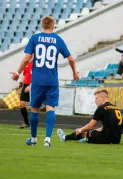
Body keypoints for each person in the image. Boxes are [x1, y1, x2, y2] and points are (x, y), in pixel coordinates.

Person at [11, 16, 79, 147]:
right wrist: (74, 72)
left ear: (42, 26)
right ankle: (47, 139)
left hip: (37, 81)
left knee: (35, 109)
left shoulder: (35, 38)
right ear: (53, 26)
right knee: (50, 108)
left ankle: (34, 139)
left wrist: (18, 72)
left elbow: (26, 59)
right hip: (51, 80)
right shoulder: (58, 40)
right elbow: (71, 59)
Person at [57, 89, 123, 144]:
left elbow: (90, 126)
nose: (95, 101)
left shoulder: (101, 108)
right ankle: (86, 139)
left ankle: (65, 137)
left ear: (102, 98)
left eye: (96, 98)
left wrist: (80, 130)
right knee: (93, 132)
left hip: (106, 138)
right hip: (117, 139)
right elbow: (113, 125)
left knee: (85, 132)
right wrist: (96, 131)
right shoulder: (116, 107)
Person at [17, 59, 33, 129]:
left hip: (33, 85)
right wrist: (21, 82)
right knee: (21, 104)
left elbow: (37, 76)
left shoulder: (36, 64)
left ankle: (34, 124)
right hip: (26, 85)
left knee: (34, 106)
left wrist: (30, 86)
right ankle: (26, 123)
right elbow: (25, 74)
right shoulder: (26, 64)